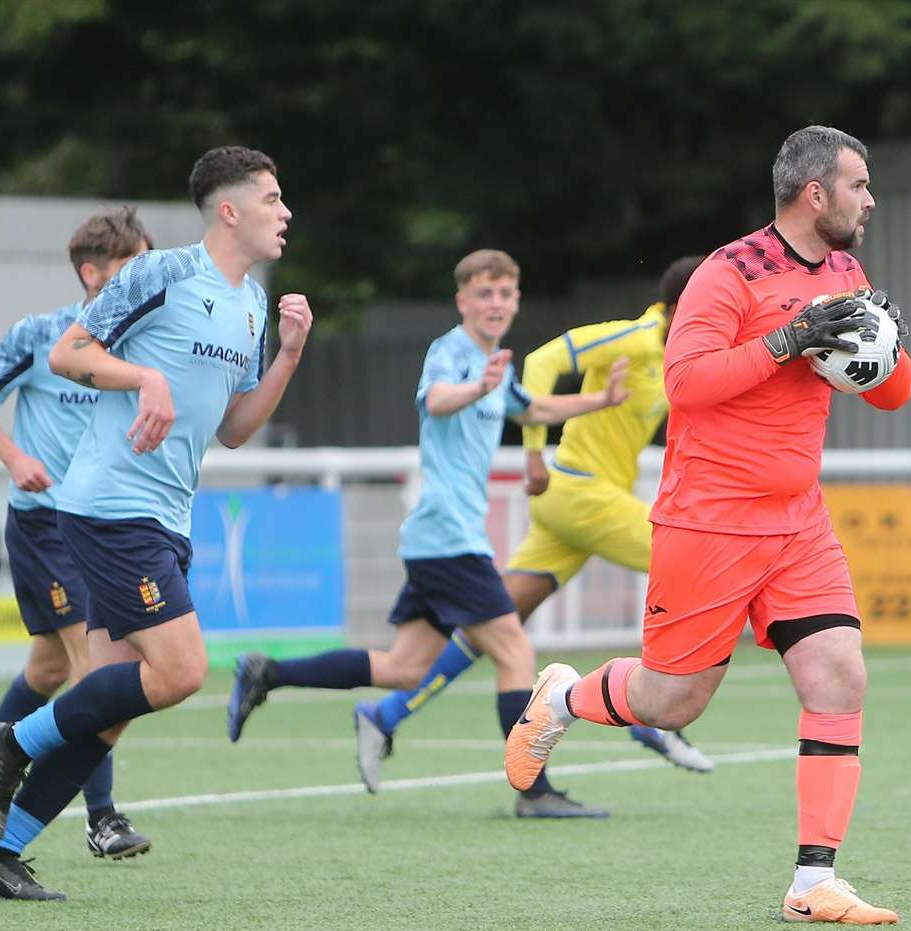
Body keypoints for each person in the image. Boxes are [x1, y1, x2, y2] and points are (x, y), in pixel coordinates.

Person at [503, 125, 911, 924]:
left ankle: (812, 884)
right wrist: (787, 340)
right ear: (815, 193)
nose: (870, 200)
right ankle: (563, 699)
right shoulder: (728, 273)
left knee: (840, 675)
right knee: (673, 702)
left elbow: (894, 395)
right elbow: (687, 385)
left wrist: (885, 346)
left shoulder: (846, 271)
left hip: (799, 524)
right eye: (859, 185)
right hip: (711, 523)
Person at [0, 145, 313, 900]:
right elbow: (68, 352)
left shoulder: (252, 303)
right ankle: (8, 741)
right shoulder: (162, 273)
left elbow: (235, 428)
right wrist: (144, 376)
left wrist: (286, 357)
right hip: (109, 506)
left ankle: (0, 855)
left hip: (163, 516)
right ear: (230, 210)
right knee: (182, 670)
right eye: (273, 199)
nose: (285, 212)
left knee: (113, 708)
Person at [226, 249, 633, 819]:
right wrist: (476, 386)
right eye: (483, 294)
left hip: (439, 541)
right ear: (462, 300)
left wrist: (601, 400)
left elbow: (532, 407)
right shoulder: (452, 353)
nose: (495, 304)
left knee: (404, 668)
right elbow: (438, 401)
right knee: (515, 650)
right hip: (449, 539)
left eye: (504, 294)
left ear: (515, 301)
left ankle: (268, 673)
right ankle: (533, 793)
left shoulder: (495, 365)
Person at [350, 255, 715, 776]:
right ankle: (651, 714)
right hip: (578, 493)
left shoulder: (680, 350)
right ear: (682, 305)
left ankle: (384, 715)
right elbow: (542, 362)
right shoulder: (634, 337)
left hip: (585, 503)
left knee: (492, 626)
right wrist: (533, 454)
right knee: (690, 568)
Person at [0, 207, 154, 861]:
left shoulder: (141, 347)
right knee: (97, 669)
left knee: (50, 666)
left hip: (103, 525)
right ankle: (103, 818)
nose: (142, 281)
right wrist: (14, 457)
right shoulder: (41, 337)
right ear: (92, 273)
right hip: (45, 526)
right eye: (129, 268)